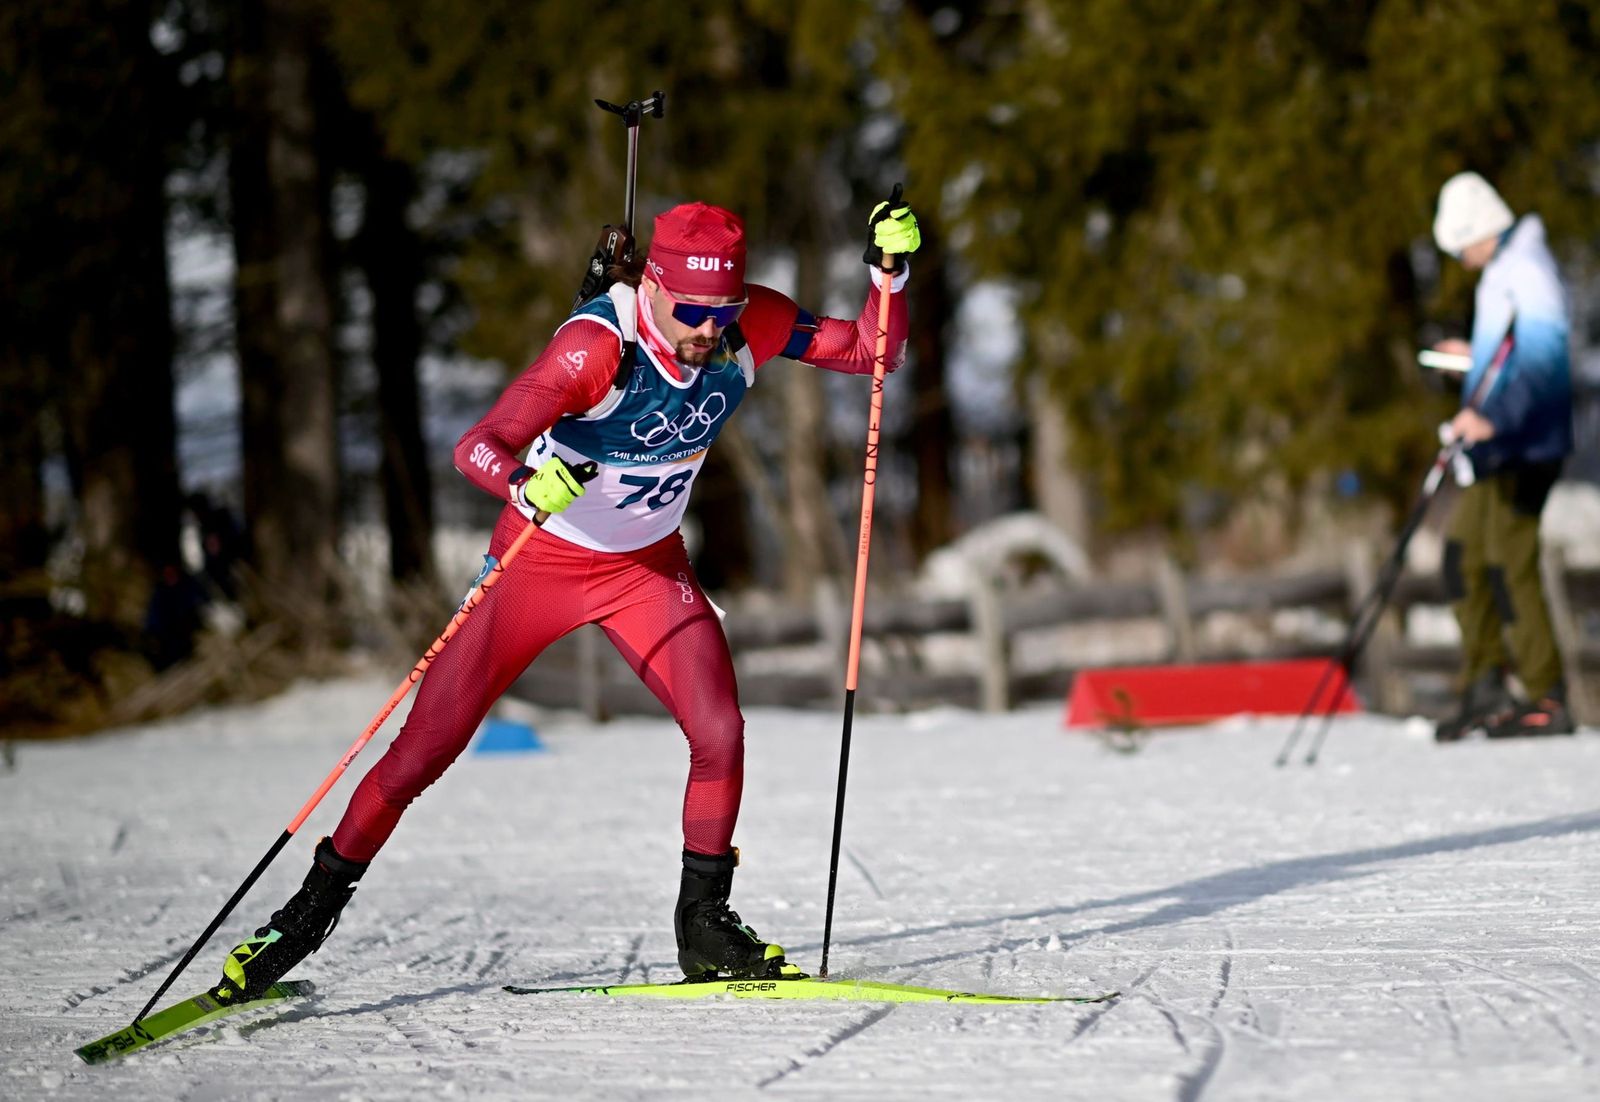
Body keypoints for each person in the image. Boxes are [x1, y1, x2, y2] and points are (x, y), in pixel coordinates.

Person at [213, 196, 922, 998]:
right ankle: (302, 919)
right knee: (420, 753)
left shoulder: (745, 323)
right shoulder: (594, 348)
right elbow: (475, 445)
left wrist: (886, 275)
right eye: (692, 310)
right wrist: (525, 479)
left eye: (721, 312)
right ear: (653, 285)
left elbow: (870, 352)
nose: (707, 331)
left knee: (719, 729)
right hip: (537, 561)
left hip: (644, 567)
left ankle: (704, 926)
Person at [1428, 171, 1574, 741]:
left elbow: (1544, 361)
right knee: (1462, 556)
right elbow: (1514, 355)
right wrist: (1473, 356)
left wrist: (1492, 417)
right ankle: (1486, 685)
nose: (1460, 256)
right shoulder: (1502, 271)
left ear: (1480, 228)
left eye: (1461, 243)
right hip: (1499, 447)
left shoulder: (1527, 269)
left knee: (1508, 564)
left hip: (1526, 444)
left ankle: (1546, 696)